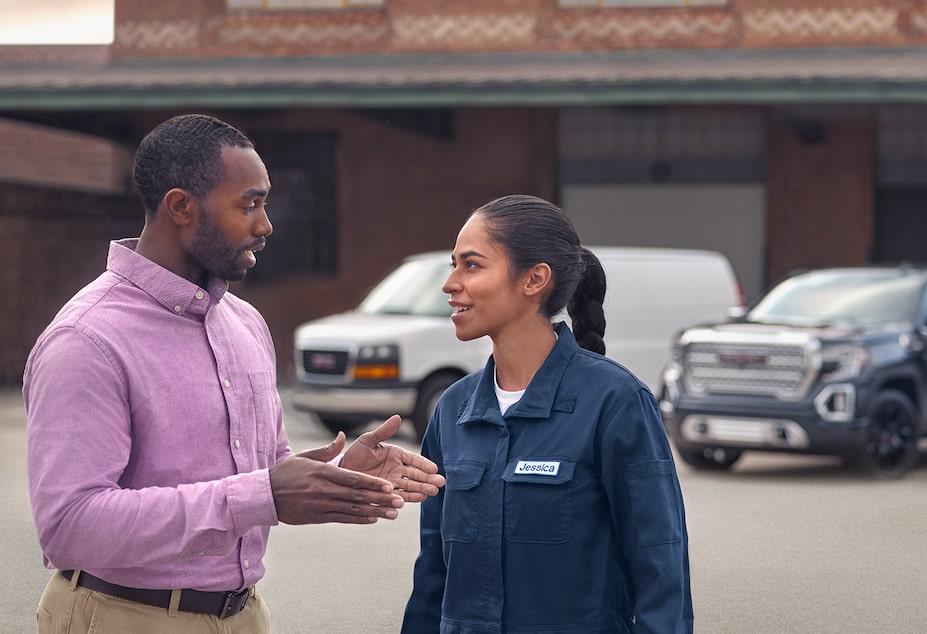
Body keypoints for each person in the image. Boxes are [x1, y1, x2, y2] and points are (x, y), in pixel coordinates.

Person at [23, 113, 446, 633]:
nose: (265, 225)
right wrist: (263, 494)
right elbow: (69, 527)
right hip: (123, 616)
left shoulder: (245, 323)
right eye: (249, 204)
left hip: (244, 615)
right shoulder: (87, 340)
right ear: (181, 207)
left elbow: (265, 469)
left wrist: (333, 473)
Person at [400, 195, 694, 633]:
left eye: (472, 265)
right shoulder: (454, 412)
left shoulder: (615, 403)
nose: (450, 283)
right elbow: (433, 573)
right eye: (453, 264)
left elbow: (660, 565)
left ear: (534, 279)